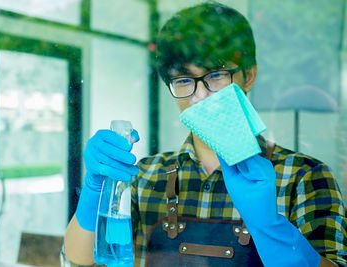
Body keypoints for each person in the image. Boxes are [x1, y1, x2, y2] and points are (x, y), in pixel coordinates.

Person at [63, 2, 347, 266]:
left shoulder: (305, 176)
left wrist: (271, 228)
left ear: (248, 76)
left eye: (215, 76)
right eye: (184, 80)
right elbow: (78, 261)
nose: (200, 96)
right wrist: (95, 193)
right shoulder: (147, 176)